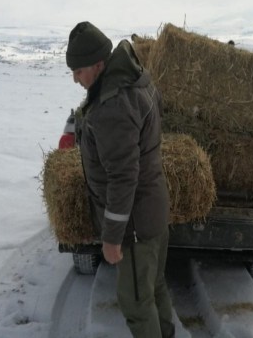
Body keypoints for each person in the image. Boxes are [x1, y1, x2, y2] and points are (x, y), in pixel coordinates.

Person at [66, 21, 175, 338]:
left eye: (79, 70)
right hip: (153, 209)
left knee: (136, 304)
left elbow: (123, 178)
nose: (75, 78)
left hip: (135, 227)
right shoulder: (134, 80)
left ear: (99, 64)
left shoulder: (113, 106)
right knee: (153, 288)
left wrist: (112, 238)